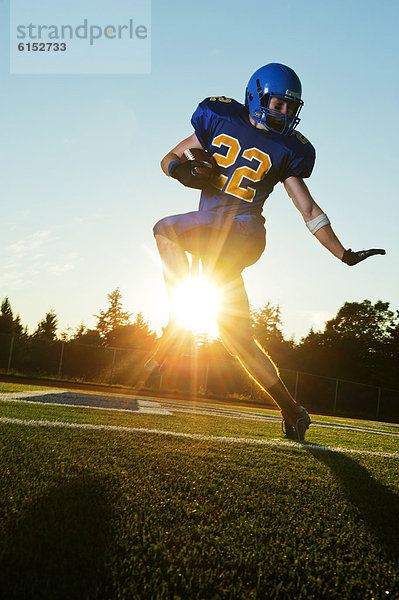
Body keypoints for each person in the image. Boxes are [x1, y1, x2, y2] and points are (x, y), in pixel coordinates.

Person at [148, 63, 385, 441]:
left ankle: (178, 318)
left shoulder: (288, 148)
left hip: (242, 233)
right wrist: (182, 172)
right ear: (257, 95)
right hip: (210, 235)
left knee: (166, 230)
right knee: (237, 339)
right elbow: (168, 159)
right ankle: (293, 410)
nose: (285, 113)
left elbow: (307, 208)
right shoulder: (218, 116)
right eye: (279, 103)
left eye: (291, 108)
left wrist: (342, 253)